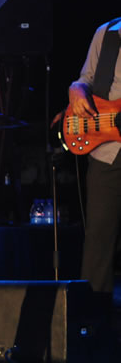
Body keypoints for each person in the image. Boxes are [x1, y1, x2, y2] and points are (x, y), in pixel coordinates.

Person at [69, 18, 121, 313]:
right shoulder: (107, 32)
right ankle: (92, 326)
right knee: (98, 245)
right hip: (108, 150)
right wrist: (75, 89)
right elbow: (85, 79)